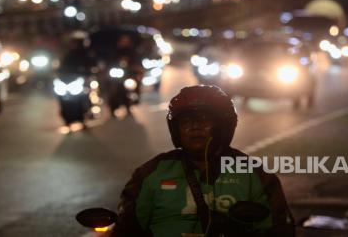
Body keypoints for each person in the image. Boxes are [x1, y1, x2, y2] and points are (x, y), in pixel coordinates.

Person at [111, 85, 295, 236]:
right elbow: (127, 229)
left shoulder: (254, 175)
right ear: (175, 129)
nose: (195, 127)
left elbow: (281, 230)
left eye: (205, 119)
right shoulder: (151, 173)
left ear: (225, 126)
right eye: (185, 121)